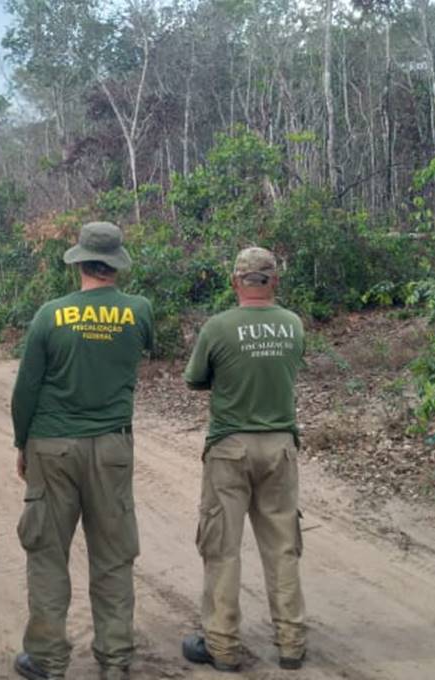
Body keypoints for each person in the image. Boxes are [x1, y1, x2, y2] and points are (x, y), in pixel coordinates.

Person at [10, 222, 154, 680]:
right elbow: (145, 352)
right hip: (112, 446)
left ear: (79, 262)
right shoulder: (139, 311)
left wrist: (22, 443)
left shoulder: (50, 315)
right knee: (113, 555)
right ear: (116, 264)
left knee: (48, 553)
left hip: (51, 446)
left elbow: (26, 389)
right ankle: (114, 661)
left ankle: (49, 661)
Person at [180, 246, 306, 672]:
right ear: (274, 281)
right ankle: (291, 642)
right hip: (280, 448)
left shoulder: (218, 327)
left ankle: (222, 645)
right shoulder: (293, 325)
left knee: (222, 549)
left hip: (230, 448)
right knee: (283, 547)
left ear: (235, 282)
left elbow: (195, 379)